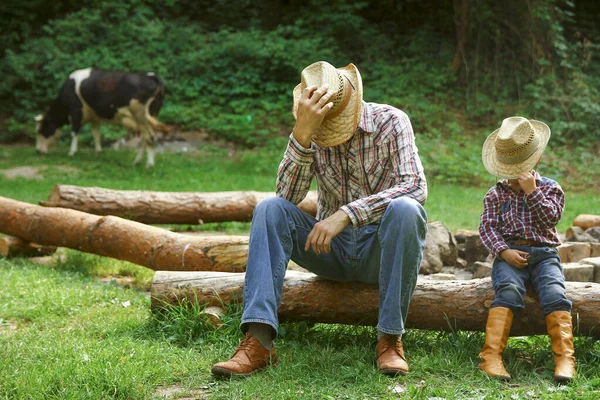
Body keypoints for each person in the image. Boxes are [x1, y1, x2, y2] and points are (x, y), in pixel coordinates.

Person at [211, 61, 428, 377]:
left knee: (407, 210)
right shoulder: (310, 131)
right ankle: (258, 342)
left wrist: (346, 214)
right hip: (329, 252)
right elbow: (286, 198)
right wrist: (302, 134)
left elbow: (415, 186)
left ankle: (390, 340)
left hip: (379, 252)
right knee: (269, 209)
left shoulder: (392, 122)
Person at [478, 116, 576, 382]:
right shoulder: (495, 194)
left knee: (555, 292)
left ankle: (565, 358)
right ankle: (491, 356)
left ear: (536, 162)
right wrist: (503, 252)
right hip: (509, 254)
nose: (512, 177)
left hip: (545, 254)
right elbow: (487, 229)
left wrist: (532, 192)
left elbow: (550, 220)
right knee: (508, 290)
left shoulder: (551, 188)